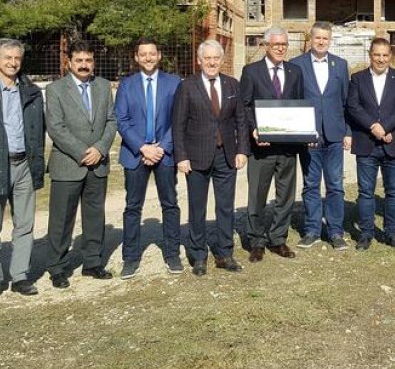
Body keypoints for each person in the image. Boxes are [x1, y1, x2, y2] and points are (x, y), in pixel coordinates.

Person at [0, 38, 46, 301]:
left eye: (17, 58)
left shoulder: (32, 91)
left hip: (24, 163)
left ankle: (20, 276)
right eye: (8, 58)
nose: (13, 63)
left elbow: (39, 129)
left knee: (24, 224)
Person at [43, 41, 118, 289]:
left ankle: (93, 263)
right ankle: (57, 267)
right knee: (61, 219)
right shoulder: (55, 90)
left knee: (95, 215)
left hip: (98, 163)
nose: (84, 65)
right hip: (68, 164)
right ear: (69, 63)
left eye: (88, 60)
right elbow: (55, 127)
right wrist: (81, 152)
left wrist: (100, 148)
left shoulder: (104, 86)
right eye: (79, 61)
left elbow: (111, 120)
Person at [172, 39, 250, 275]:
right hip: (196, 158)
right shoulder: (187, 86)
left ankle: (225, 253)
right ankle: (198, 256)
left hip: (226, 155)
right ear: (199, 61)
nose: (212, 62)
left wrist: (242, 150)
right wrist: (181, 157)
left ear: (222, 60)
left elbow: (241, 121)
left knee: (225, 207)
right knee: (197, 208)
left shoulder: (232, 85)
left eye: (216, 58)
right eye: (207, 58)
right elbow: (178, 124)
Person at [115, 37, 183, 278]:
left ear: (159, 55)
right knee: (133, 207)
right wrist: (143, 148)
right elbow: (121, 121)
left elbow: (178, 118)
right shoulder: (127, 85)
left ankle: (172, 254)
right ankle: (130, 258)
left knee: (170, 204)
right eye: (143, 54)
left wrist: (161, 147)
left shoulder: (174, 83)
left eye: (152, 53)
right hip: (136, 155)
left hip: (164, 154)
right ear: (136, 57)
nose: (148, 58)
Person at [240, 27, 306, 262]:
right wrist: (253, 129)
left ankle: (278, 239)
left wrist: (304, 133)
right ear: (266, 46)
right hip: (262, 147)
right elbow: (244, 105)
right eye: (276, 44)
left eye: (284, 45)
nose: (280, 48)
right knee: (257, 195)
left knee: (285, 196)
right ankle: (256, 241)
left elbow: (299, 105)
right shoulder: (251, 72)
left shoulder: (295, 71)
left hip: (288, 146)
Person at [289, 21, 352, 251]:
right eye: (318, 38)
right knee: (311, 184)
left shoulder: (340, 65)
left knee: (335, 185)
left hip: (335, 134)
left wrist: (348, 131)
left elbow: (346, 102)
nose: (321, 42)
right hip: (309, 136)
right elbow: (293, 101)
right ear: (311, 38)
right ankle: (312, 230)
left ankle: (336, 231)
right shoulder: (296, 65)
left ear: (330, 40)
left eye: (325, 38)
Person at [346, 38, 395, 250]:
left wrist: (386, 127)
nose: (381, 59)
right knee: (366, 191)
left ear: (390, 55)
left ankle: (391, 233)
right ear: (370, 55)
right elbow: (353, 107)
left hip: (393, 142)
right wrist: (373, 126)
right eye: (377, 55)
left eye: (384, 55)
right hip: (366, 143)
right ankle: (366, 233)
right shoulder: (357, 78)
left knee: (394, 191)